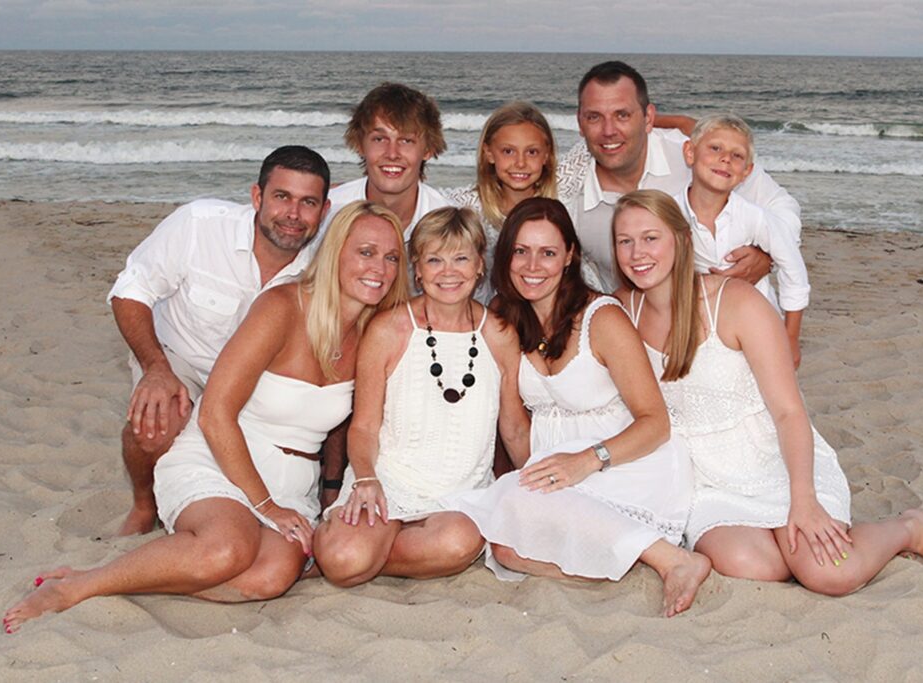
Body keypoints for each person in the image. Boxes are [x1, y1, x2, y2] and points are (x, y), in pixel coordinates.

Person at [2, 201, 409, 633]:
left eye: (391, 257)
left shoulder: (376, 331)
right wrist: (264, 505)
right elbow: (215, 413)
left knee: (267, 578)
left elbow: (348, 430)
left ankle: (155, 573)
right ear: (335, 253)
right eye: (365, 252)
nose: (379, 268)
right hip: (222, 456)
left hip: (292, 484)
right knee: (225, 551)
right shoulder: (283, 307)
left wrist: (325, 499)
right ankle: (80, 585)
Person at [612, 189, 923, 595]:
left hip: (774, 460)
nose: (636, 253)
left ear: (680, 240)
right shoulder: (621, 311)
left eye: (650, 238)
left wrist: (802, 499)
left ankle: (909, 528)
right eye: (624, 241)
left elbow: (788, 411)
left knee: (829, 574)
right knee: (750, 564)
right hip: (705, 480)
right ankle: (788, 546)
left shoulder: (734, 302)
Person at [447, 198, 711, 618]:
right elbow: (513, 424)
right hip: (556, 463)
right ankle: (623, 559)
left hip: (625, 461)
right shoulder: (503, 314)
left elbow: (656, 423)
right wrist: (529, 482)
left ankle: (673, 559)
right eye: (521, 251)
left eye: (548, 252)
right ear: (506, 255)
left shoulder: (602, 318)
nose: (533, 265)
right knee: (507, 547)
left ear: (569, 256)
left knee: (513, 519)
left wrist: (587, 462)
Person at [108, 145, 332, 535]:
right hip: (182, 360)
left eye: (307, 202)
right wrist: (156, 369)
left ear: (324, 210)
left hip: (259, 380)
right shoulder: (200, 224)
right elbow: (131, 291)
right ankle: (145, 506)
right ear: (257, 197)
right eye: (282, 197)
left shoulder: (323, 264)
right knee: (156, 423)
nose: (293, 215)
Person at [312, 207, 528, 587]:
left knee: (458, 542)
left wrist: (541, 486)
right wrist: (366, 479)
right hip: (387, 483)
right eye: (434, 260)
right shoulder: (388, 329)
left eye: (461, 258)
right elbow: (362, 426)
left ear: (479, 265)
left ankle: (368, 552)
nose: (448, 272)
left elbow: (512, 427)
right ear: (417, 269)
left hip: (459, 497)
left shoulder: (499, 334)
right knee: (345, 560)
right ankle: (356, 550)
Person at [557, 60, 802, 292]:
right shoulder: (568, 201)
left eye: (622, 115)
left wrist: (766, 255)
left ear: (648, 117)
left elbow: (781, 206)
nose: (609, 131)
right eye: (594, 117)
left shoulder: (693, 154)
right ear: (580, 122)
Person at [675, 114, 810, 368]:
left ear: (747, 172)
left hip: (756, 327)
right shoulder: (669, 213)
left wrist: (791, 338)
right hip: (692, 330)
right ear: (690, 153)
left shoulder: (756, 217)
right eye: (715, 148)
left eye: (737, 156)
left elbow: (794, 271)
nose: (725, 158)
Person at [445, 100, 607, 297]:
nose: (520, 163)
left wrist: (652, 119)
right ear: (489, 153)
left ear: (546, 155)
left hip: (575, 299)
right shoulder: (469, 206)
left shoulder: (562, 186)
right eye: (508, 151)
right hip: (510, 312)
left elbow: (601, 135)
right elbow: (417, 197)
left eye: (532, 152)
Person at [319, 82, 452, 246]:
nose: (392, 153)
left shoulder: (446, 223)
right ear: (360, 145)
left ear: (428, 150)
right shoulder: (328, 212)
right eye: (379, 139)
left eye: (406, 140)